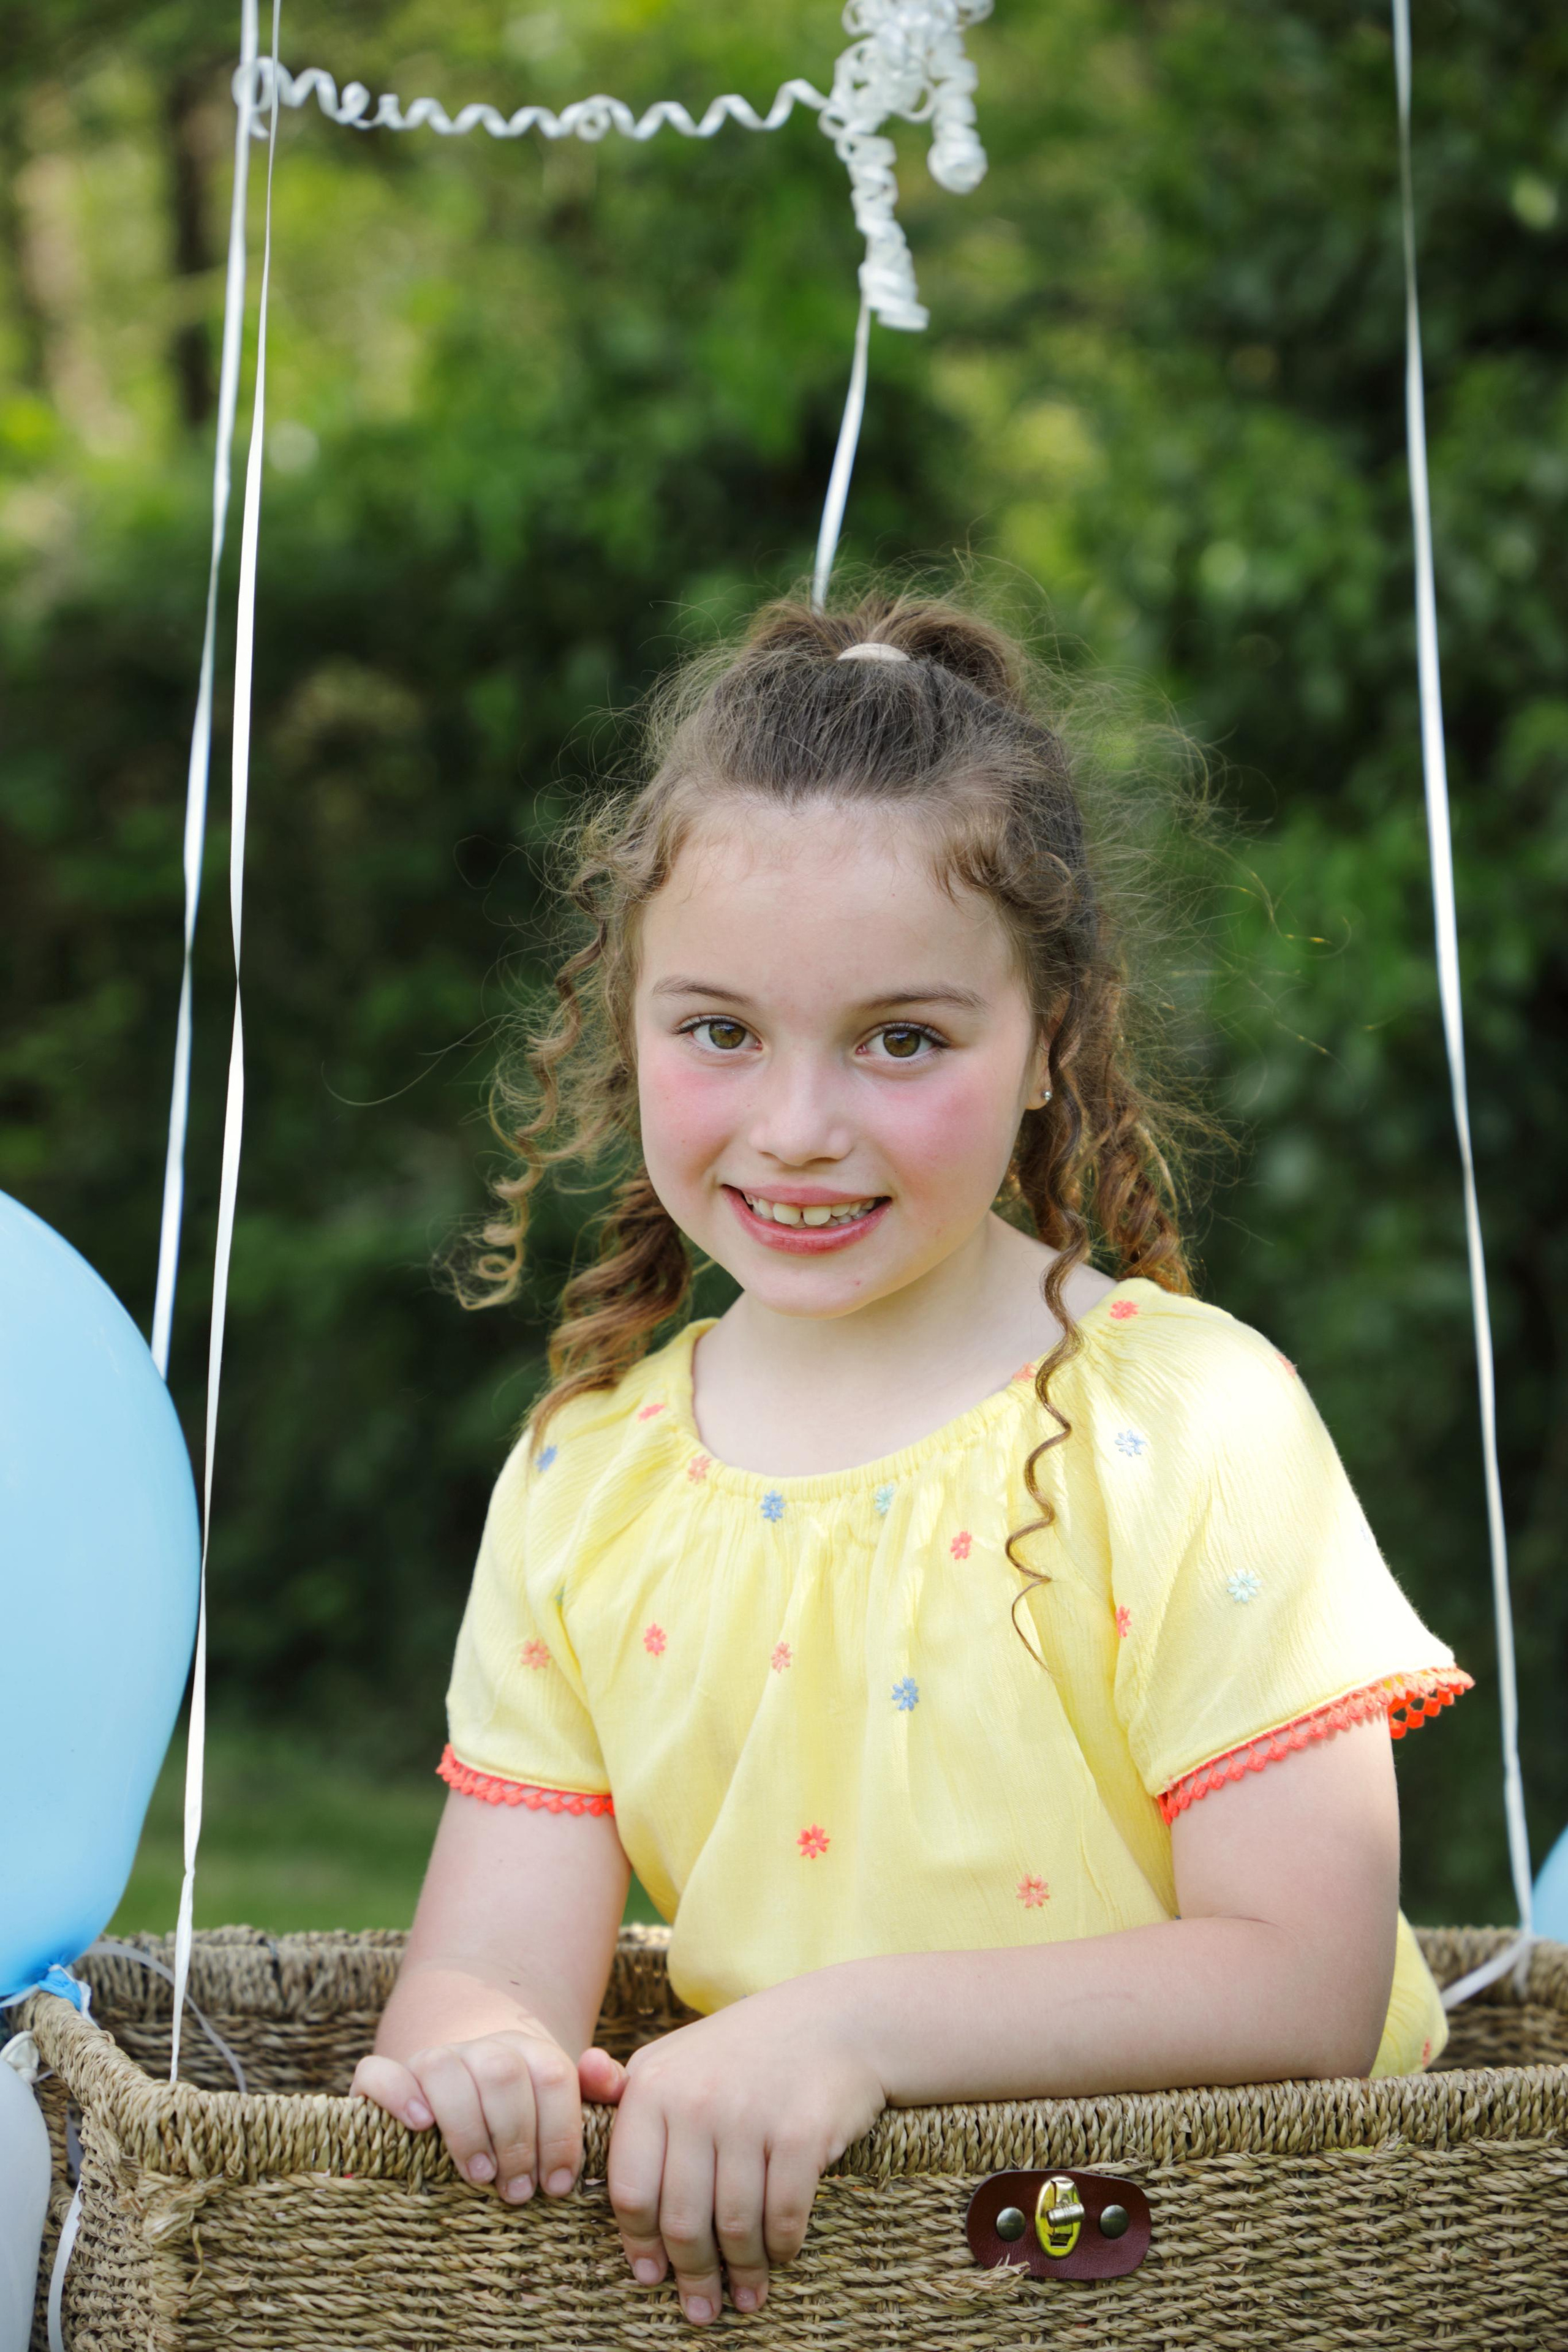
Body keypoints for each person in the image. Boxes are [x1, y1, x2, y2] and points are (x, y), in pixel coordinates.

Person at [352, 590, 1471, 2325]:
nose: (798, 1126)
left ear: (1046, 1043)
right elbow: (480, 1978)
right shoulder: (592, 1473)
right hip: (823, 2283)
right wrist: (482, 2059)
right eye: (718, 1029)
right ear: (626, 1016)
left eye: (904, 1040)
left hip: (1203, 2266)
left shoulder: (1184, 1420)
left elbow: (1306, 1983)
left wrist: (845, 2027)